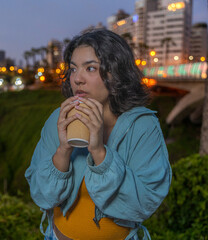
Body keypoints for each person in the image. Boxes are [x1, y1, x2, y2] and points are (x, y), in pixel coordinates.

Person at [25, 29, 172, 240]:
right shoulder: (60, 118)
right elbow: (41, 196)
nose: (77, 79)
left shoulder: (143, 126)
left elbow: (145, 203)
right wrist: (63, 150)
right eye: (73, 69)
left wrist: (99, 152)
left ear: (117, 73)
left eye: (90, 68)